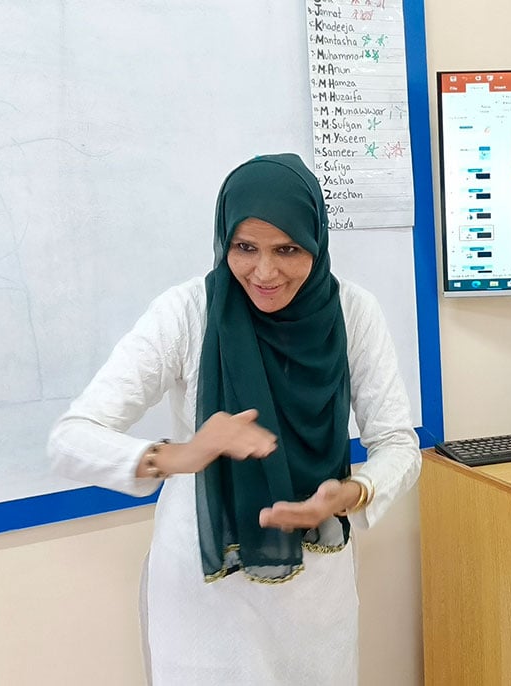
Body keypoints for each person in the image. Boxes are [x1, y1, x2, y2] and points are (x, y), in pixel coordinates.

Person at [47, 153, 421, 684]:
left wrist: (356, 491)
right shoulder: (187, 312)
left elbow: (397, 444)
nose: (264, 272)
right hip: (205, 593)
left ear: (316, 241)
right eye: (245, 248)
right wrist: (181, 454)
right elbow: (70, 439)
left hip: (318, 584)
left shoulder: (352, 312)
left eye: (287, 249)